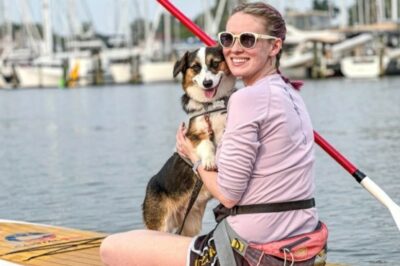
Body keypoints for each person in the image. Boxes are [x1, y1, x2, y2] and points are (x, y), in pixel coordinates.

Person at [100, 2, 327, 266]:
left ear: (274, 47)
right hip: (301, 248)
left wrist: (193, 157)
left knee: (111, 248)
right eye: (228, 38)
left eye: (248, 39)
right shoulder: (290, 93)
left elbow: (229, 194)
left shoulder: (245, 100)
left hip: (250, 252)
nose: (235, 48)